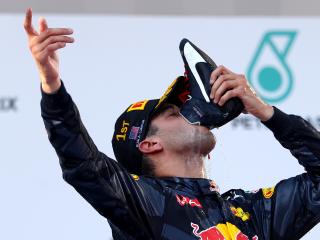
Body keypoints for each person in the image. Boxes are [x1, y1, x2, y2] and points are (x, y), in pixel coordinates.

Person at [24, 8, 320, 240]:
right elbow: (83, 165)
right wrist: (52, 86)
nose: (195, 114)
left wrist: (267, 112)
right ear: (149, 144)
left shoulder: (248, 212)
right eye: (175, 113)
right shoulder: (147, 203)